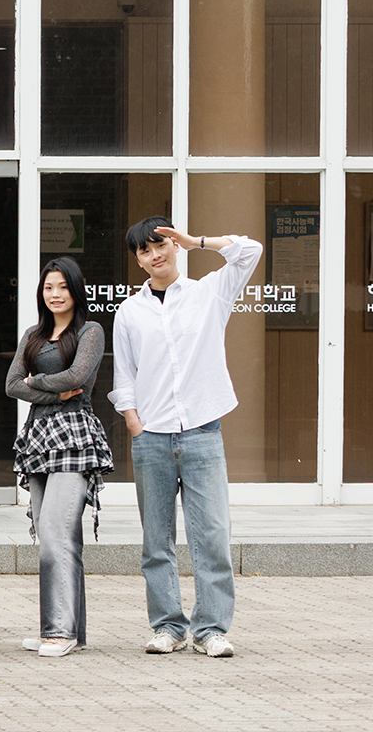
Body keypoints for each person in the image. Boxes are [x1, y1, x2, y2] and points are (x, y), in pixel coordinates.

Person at [109, 218, 262, 659]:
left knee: (211, 535)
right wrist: (135, 423)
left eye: (160, 244)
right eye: (144, 251)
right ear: (137, 260)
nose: (154, 255)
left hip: (202, 433)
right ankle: (168, 627)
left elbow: (248, 250)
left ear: (173, 245)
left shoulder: (208, 292)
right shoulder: (129, 312)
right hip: (152, 437)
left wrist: (197, 241)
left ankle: (211, 628)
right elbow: (125, 376)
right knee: (156, 540)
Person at [6, 257, 113, 658]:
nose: (55, 294)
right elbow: (12, 385)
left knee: (55, 531)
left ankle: (60, 631)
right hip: (37, 437)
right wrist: (47, 389)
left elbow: (78, 378)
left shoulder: (90, 331)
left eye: (62, 287)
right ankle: (64, 628)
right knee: (54, 536)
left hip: (74, 434)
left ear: (75, 290)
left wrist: (38, 383)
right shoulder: (34, 334)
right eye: (49, 287)